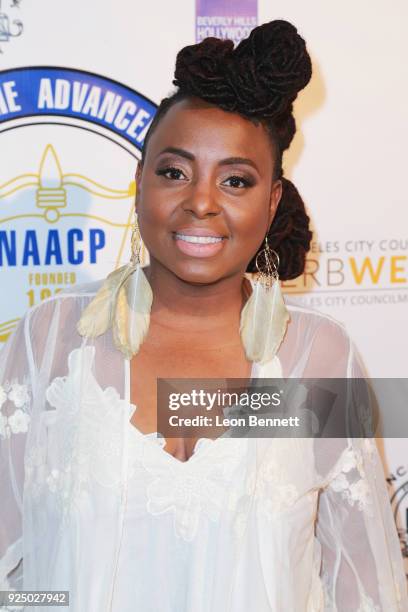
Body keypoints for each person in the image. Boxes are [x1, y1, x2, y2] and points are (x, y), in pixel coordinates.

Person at [0, 19, 407, 612]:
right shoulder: (52, 337)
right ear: (139, 182)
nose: (200, 201)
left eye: (235, 180)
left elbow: (363, 585)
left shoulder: (318, 357)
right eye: (174, 171)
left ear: (271, 203)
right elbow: (13, 566)